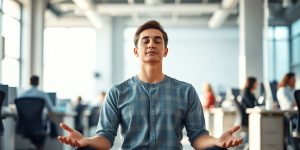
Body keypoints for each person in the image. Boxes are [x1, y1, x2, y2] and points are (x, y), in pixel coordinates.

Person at [57, 20, 242, 150]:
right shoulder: (117, 92)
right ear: (136, 51)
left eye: (157, 40)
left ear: (165, 51)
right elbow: (105, 138)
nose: (151, 44)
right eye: (145, 40)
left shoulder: (186, 91)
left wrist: (216, 142)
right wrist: (86, 141)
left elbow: (197, 137)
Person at [17, 75, 58, 147]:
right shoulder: (42, 94)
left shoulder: (22, 94)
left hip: (24, 125)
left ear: (29, 82)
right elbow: (51, 109)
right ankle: (39, 146)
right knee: (49, 123)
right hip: (39, 125)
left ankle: (34, 145)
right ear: (38, 82)